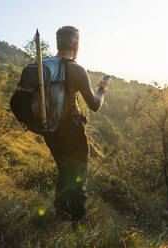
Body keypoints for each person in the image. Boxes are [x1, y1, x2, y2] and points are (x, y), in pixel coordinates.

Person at [43, 26, 108, 221]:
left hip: (50, 129)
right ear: (77, 45)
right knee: (79, 179)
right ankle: (79, 225)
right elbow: (94, 105)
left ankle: (61, 212)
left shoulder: (44, 66)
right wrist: (102, 90)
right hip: (72, 130)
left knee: (64, 170)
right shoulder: (76, 69)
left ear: (58, 43)